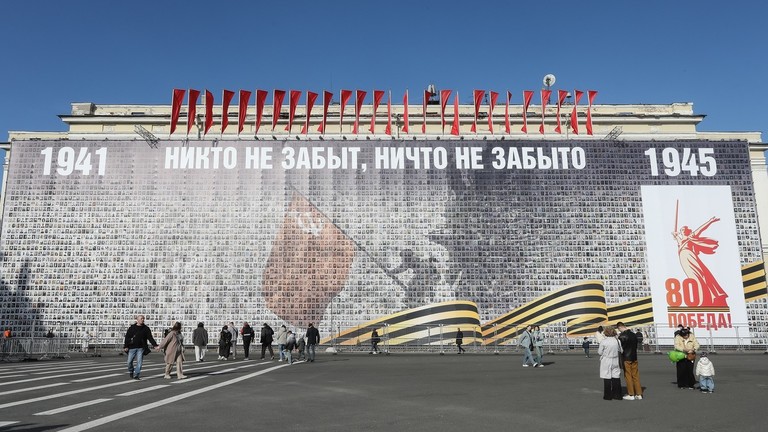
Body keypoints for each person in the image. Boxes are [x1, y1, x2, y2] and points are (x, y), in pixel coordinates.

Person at [672, 216, 728, 307]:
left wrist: (710, 221)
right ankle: (701, 298)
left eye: (683, 229)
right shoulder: (680, 240)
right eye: (681, 230)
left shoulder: (691, 236)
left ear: (687, 231)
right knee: (693, 277)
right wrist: (674, 235)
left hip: (690, 257)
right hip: (684, 259)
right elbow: (676, 237)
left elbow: (701, 229)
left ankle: (708, 298)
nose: (682, 230)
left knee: (700, 275)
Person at [123, 315, 158, 380]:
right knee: (129, 362)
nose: (143, 320)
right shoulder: (132, 328)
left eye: (143, 319)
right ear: (137, 320)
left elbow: (150, 338)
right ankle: (131, 370)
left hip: (141, 347)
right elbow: (127, 337)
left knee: (139, 362)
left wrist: (155, 345)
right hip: (132, 347)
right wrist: (126, 346)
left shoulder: (146, 328)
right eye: (141, 318)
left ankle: (136, 374)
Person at [617, 322, 643, 400]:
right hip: (634, 357)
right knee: (635, 376)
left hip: (626, 358)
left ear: (620, 327)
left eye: (619, 329)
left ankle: (631, 394)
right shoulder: (634, 335)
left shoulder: (622, 336)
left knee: (628, 376)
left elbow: (620, 348)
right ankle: (639, 394)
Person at [598, 326, 622, 400]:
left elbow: (599, 352)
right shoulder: (617, 341)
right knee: (616, 377)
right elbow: (621, 350)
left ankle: (608, 396)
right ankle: (617, 395)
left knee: (607, 377)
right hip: (616, 359)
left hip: (606, 360)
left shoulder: (604, 341)